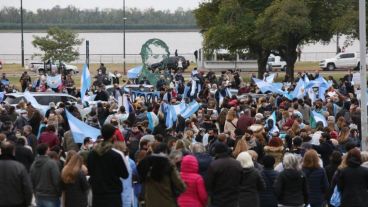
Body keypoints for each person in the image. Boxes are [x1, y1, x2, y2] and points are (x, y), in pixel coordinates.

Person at [87, 124, 129, 207]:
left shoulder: (91, 154)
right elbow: (125, 175)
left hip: (97, 195)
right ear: (113, 136)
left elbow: (90, 171)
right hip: (113, 196)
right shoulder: (117, 154)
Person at [137, 143, 186, 207]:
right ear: (165, 151)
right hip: (167, 202)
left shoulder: (145, 163)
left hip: (150, 202)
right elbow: (180, 185)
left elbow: (140, 180)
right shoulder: (168, 164)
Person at [206, 142, 242, 207]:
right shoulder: (237, 163)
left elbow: (209, 184)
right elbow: (241, 180)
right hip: (234, 198)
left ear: (216, 152)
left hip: (218, 199)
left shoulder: (214, 165)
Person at [0, 141, 33, 207]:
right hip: (16, 202)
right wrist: (27, 202)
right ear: (13, 152)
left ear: (1, 151)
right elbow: (28, 188)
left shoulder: (19, 167)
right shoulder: (19, 167)